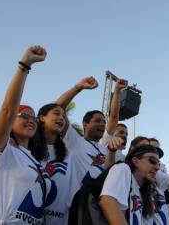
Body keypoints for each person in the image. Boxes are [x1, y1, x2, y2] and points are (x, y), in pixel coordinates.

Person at [0, 46, 53, 224]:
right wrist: (24, 65)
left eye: (34, 118)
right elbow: (8, 111)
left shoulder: (35, 160)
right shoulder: (0, 149)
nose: (31, 120)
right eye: (25, 115)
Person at [39, 76, 127, 224]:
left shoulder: (105, 147)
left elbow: (114, 117)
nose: (102, 124)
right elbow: (57, 108)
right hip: (77, 206)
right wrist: (78, 87)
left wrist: (117, 91)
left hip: (100, 207)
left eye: (103, 122)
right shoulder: (75, 141)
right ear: (85, 124)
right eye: (97, 121)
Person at [99, 144, 163, 224]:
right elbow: (107, 201)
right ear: (135, 161)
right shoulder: (123, 168)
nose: (157, 167)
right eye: (153, 161)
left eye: (159, 164)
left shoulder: (141, 193)